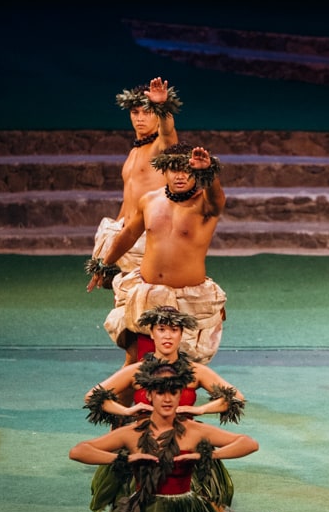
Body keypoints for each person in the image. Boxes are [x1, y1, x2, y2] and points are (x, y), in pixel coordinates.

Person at [71, 361, 259, 512]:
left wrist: (204, 456)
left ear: (182, 394)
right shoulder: (135, 432)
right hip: (144, 511)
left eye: (173, 392)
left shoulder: (193, 430)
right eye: (160, 392)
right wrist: (125, 458)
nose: (167, 399)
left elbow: (248, 443)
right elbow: (79, 451)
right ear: (148, 395)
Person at [83, 306, 278, 512]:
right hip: (145, 439)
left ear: (181, 334)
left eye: (174, 330)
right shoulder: (137, 371)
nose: (167, 336)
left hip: (185, 439)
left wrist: (201, 410)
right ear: (152, 333)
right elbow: (93, 397)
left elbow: (235, 397)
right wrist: (127, 411)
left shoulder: (195, 371)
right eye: (162, 329)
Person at [86, 142, 227, 366]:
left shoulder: (205, 205)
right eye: (174, 169)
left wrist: (206, 171)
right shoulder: (150, 200)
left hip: (188, 300)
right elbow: (130, 233)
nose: (181, 175)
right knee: (135, 362)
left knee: (183, 371)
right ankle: (120, 400)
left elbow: (216, 197)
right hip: (147, 294)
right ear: (163, 170)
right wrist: (105, 263)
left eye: (187, 169)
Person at [89, 77, 181, 287]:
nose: (140, 118)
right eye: (135, 112)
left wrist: (162, 107)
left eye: (147, 112)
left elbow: (168, 132)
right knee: (121, 294)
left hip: (150, 235)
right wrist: (114, 233)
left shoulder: (161, 147)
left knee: (148, 297)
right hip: (127, 233)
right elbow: (130, 198)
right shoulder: (134, 152)